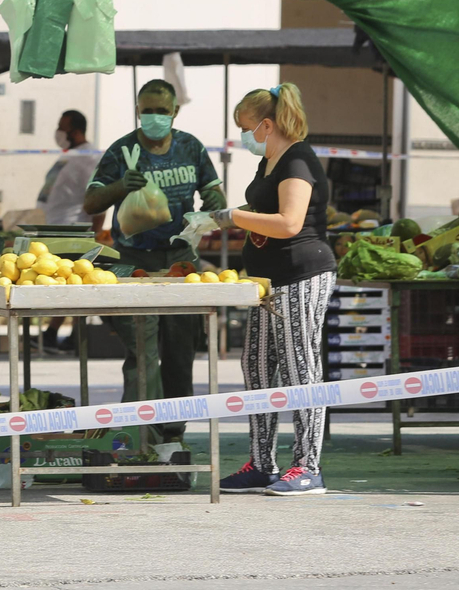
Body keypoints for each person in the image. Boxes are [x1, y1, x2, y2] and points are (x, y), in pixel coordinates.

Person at [212, 85, 335, 496]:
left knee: (300, 365)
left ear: (267, 124)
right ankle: (262, 463)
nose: (243, 137)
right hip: (267, 284)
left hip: (301, 276)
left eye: (246, 128)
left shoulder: (298, 159)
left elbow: (288, 224)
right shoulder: (270, 162)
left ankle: (308, 466)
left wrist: (234, 216)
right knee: (258, 365)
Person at [83, 80, 226, 418]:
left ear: (175, 112)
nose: (154, 117)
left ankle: (174, 430)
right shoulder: (122, 151)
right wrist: (119, 187)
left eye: (161, 111)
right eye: (147, 110)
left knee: (180, 351)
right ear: (137, 110)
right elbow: (91, 202)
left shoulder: (191, 148)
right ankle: (141, 429)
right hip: (133, 262)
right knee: (142, 351)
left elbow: (214, 194)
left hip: (181, 261)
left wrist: (211, 215)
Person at [37, 109, 103, 352]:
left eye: (62, 127)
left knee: (70, 283)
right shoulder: (71, 155)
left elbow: (98, 199)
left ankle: (64, 335)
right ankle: (61, 335)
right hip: (57, 228)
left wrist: (93, 237)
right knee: (66, 282)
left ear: (75, 131)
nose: (58, 132)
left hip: (75, 230)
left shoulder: (89, 157)